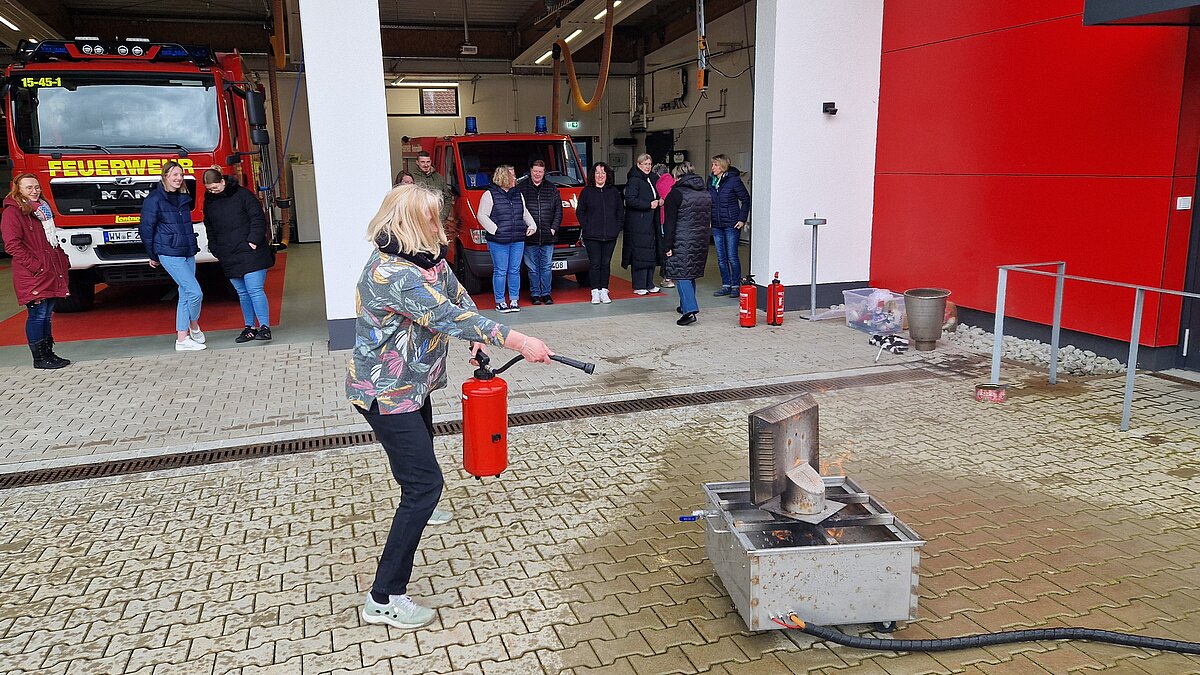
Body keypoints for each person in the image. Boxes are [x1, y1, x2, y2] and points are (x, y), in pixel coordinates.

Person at [347, 183, 554, 630]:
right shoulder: (391, 275)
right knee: (425, 486)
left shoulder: (426, 258)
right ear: (409, 222)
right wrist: (519, 340)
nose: (442, 226)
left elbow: (457, 298)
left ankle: (418, 498)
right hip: (387, 393)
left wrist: (480, 345)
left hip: (414, 387)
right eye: (433, 218)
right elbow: (449, 317)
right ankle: (384, 598)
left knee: (418, 476)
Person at [1, 174, 71, 369]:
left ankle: (49, 354)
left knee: (47, 315)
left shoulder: (42, 211)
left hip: (48, 271)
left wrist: (62, 259)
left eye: (37, 187)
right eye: (29, 187)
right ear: (18, 190)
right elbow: (12, 245)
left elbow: (51, 242)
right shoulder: (13, 213)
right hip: (33, 274)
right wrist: (35, 265)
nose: (34, 191)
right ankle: (40, 358)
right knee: (37, 315)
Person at [202, 167, 275, 343]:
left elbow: (258, 218)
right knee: (243, 293)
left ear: (222, 181)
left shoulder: (243, 195)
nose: (212, 191)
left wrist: (253, 241)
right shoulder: (209, 202)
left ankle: (264, 327)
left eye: (215, 187)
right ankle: (249, 328)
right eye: (209, 189)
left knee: (254, 289)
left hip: (251, 251)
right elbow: (209, 227)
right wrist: (215, 248)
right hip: (228, 253)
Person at [140, 160, 206, 351]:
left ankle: (182, 338)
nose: (178, 178)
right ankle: (193, 326)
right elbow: (146, 228)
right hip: (169, 252)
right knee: (195, 292)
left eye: (180, 175)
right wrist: (152, 254)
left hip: (187, 251)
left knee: (185, 293)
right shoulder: (154, 199)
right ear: (165, 177)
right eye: (174, 175)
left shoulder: (183, 197)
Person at [478, 165, 536, 312]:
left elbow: (524, 212)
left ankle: (514, 300)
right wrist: (495, 230)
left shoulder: (518, 194)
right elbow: (482, 216)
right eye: (512, 175)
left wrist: (532, 225)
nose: (515, 178)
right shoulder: (489, 194)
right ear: (504, 177)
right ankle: (500, 301)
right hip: (498, 240)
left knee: (514, 270)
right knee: (501, 270)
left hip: (517, 238)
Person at [662, 162, 712, 326]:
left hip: (682, 239)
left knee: (682, 274)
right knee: (690, 272)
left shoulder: (675, 194)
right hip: (701, 238)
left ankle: (690, 311)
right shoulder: (704, 193)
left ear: (677, 176)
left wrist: (667, 245)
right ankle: (685, 305)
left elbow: (669, 223)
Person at [575, 162, 623, 304]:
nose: (600, 176)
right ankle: (595, 291)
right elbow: (580, 212)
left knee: (606, 263)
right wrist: (587, 226)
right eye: (597, 173)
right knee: (595, 263)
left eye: (603, 173)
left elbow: (620, 211)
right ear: (593, 175)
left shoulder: (613, 192)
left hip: (610, 235)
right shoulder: (586, 192)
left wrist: (617, 227)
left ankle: (604, 290)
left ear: (607, 175)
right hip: (592, 236)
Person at [518, 160, 562, 306]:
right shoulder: (522, 188)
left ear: (544, 173)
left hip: (548, 235)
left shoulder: (551, 188)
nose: (537, 174)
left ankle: (547, 294)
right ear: (530, 171)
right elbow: (518, 211)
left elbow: (558, 211)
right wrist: (525, 228)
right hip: (530, 236)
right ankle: (535, 294)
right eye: (535, 171)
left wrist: (554, 227)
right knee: (532, 268)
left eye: (540, 172)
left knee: (547, 267)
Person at [708, 154, 751, 297]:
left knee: (732, 256)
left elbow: (745, 199)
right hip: (716, 223)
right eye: (712, 164)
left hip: (732, 223)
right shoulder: (711, 181)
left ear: (722, 166)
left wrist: (742, 219)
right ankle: (726, 285)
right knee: (721, 258)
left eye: (715, 164)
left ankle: (735, 286)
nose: (712, 167)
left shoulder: (733, 180)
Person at [622, 154, 664, 295]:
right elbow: (630, 200)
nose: (647, 166)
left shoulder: (653, 178)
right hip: (638, 223)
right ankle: (639, 284)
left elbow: (657, 195)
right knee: (640, 253)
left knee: (651, 251)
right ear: (638, 165)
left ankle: (649, 283)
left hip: (651, 221)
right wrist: (648, 205)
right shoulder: (634, 180)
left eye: (649, 164)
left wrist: (660, 200)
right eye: (645, 164)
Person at [410, 150, 457, 242]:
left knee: (438, 247)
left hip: (438, 221)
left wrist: (443, 216)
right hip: (418, 222)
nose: (426, 165)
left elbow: (447, 198)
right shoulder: (411, 177)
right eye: (422, 162)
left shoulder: (438, 177)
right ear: (417, 162)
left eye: (428, 162)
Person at [653, 163, 676, 289]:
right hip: (676, 220)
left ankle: (668, 277)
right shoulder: (674, 182)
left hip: (664, 219)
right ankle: (674, 275)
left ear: (657, 174)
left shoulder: (658, 184)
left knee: (666, 249)